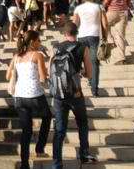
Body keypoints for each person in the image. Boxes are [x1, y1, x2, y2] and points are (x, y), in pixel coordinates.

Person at [51, 22, 96, 169]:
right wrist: (81, 72)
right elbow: (90, 74)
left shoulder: (56, 48)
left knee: (59, 130)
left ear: (64, 34)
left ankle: (57, 163)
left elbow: (50, 71)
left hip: (58, 95)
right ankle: (83, 154)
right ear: (77, 33)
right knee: (82, 123)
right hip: (75, 94)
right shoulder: (83, 47)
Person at [6, 30, 51, 169]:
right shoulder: (37, 55)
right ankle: (39, 148)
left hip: (19, 96)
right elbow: (43, 79)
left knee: (26, 130)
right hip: (35, 95)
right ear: (32, 41)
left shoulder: (16, 56)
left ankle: (24, 163)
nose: (40, 43)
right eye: (38, 40)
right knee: (48, 116)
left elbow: (8, 76)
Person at [72, 0, 107, 97]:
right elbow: (104, 23)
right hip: (94, 36)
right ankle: (94, 89)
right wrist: (105, 36)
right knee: (94, 62)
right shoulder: (99, 7)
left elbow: (75, 24)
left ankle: (88, 80)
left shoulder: (78, 8)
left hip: (81, 36)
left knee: (83, 61)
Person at [103, 0, 131, 64]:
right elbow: (128, 2)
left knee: (102, 23)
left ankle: (110, 40)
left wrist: (102, 6)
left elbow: (107, 0)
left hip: (112, 11)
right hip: (123, 13)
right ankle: (121, 59)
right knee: (120, 36)